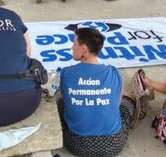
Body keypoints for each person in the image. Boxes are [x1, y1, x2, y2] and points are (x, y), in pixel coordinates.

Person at [57, 28, 154, 156]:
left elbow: (67, 99)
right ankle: (133, 96)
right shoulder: (113, 73)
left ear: (84, 49)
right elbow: (116, 104)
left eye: (74, 44)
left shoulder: (66, 73)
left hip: (77, 145)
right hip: (113, 144)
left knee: (60, 103)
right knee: (124, 106)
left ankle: (130, 95)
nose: (71, 47)